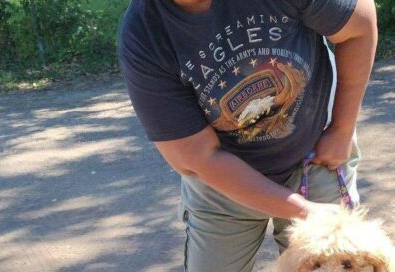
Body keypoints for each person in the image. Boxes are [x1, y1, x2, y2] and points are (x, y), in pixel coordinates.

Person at [118, 0, 377, 271]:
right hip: (223, 182)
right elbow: (198, 157)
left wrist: (341, 130)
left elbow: (358, 26)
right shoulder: (144, 35)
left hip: (314, 156)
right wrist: (304, 211)